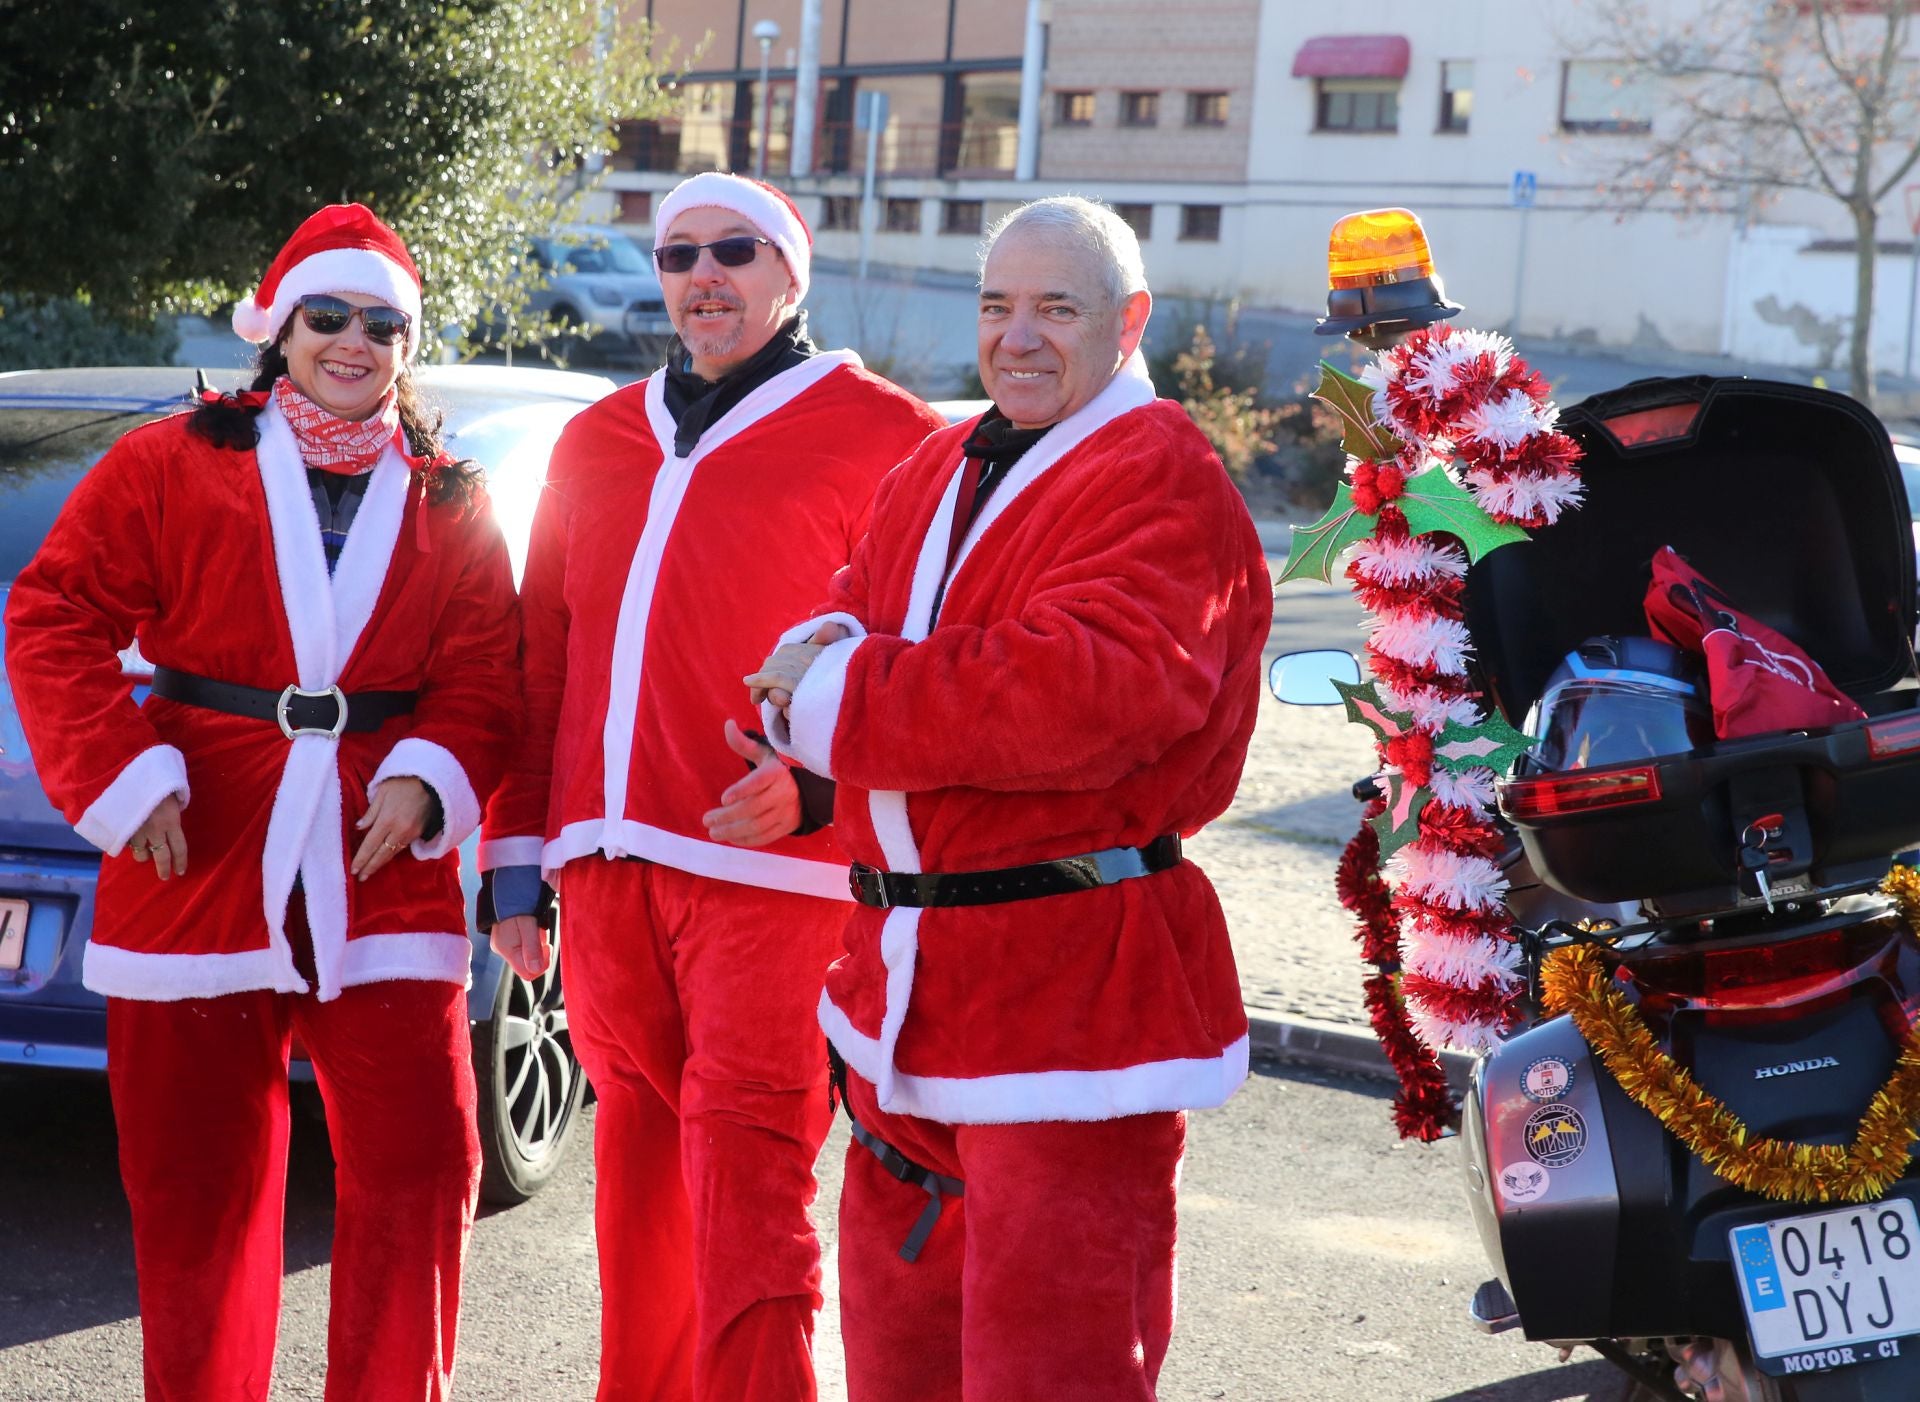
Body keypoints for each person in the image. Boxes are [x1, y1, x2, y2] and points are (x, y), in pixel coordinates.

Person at [748, 194, 1272, 1401]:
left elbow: (1088, 695)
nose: (1018, 336)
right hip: (903, 999)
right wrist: (812, 664)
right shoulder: (940, 458)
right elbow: (861, 602)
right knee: (898, 1361)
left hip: (1069, 1006)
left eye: (1056, 308)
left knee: (1057, 1368)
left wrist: (834, 687)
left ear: (1130, 321)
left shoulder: (1165, 475)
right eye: (996, 305)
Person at [3, 203, 521, 1398]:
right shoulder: (171, 463)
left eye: (382, 323)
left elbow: (490, 676)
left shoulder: (452, 503)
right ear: (279, 328)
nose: (354, 340)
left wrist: (430, 774)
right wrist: (126, 780)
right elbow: (54, 617)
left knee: (419, 1170)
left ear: (408, 343)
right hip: (195, 855)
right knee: (198, 1192)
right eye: (327, 315)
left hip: (382, 865)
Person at [478, 171, 945, 1402]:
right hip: (603, 872)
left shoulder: (891, 435)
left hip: (775, 880)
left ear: (793, 273)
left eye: (735, 250)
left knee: (748, 1194)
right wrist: (516, 859)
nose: (703, 275)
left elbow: (921, 662)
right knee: (635, 1189)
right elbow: (543, 661)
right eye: (678, 252)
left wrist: (821, 788)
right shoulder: (596, 437)